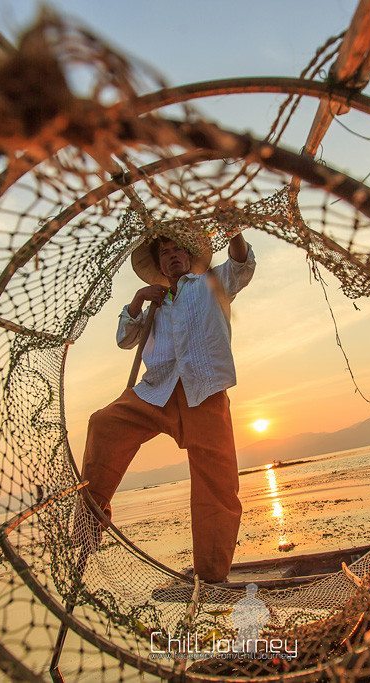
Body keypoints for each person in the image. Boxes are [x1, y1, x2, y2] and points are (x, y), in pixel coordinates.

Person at [78, 229, 255, 583]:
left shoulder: (211, 283)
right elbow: (125, 340)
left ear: (189, 257)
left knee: (217, 487)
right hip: (154, 392)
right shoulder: (156, 303)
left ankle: (211, 576)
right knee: (103, 424)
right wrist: (138, 300)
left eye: (178, 250)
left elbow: (241, 265)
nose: (173, 256)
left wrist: (234, 231)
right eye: (165, 253)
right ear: (159, 264)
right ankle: (90, 522)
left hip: (204, 392)